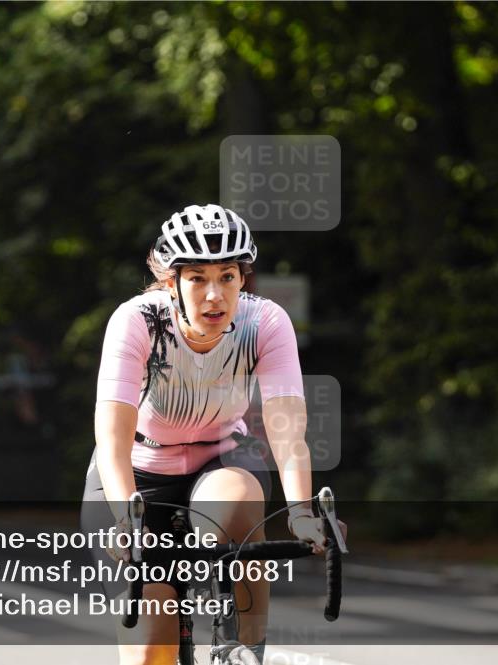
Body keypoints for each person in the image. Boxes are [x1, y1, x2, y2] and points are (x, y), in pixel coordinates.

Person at [80, 204, 344, 665]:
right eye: (197, 278)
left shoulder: (265, 322)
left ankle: (243, 649)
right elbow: (112, 436)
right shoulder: (137, 320)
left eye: (227, 276)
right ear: (172, 283)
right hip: (136, 473)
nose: (214, 295)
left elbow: (287, 431)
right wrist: (126, 521)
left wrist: (302, 513)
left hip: (219, 460)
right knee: (150, 653)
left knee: (235, 499)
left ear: (244, 278)